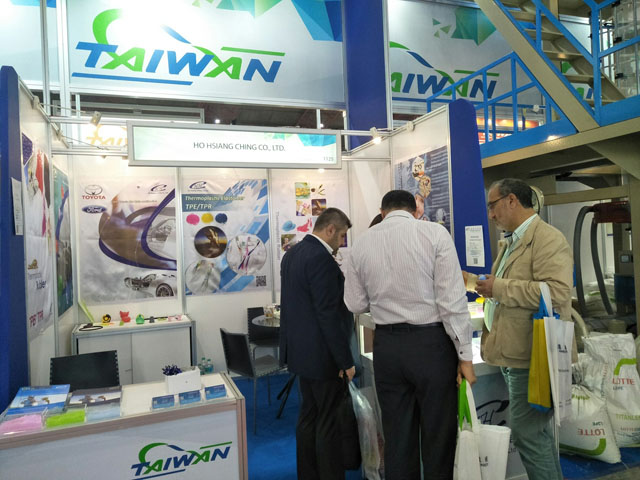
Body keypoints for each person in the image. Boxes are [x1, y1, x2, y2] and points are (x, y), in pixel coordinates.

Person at [344, 189, 476, 480]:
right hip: (432, 346)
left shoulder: (361, 244)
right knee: (438, 435)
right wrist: (465, 356)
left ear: (382, 213)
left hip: (387, 347)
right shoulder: (435, 234)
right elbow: (452, 303)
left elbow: (355, 304)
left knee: (397, 436)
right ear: (415, 211)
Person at [464, 178, 573, 480]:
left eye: (493, 206)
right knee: (536, 434)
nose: (490, 214)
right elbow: (507, 287)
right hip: (515, 353)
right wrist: (474, 282)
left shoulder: (547, 239)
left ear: (512, 200)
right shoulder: (512, 242)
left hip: (533, 356)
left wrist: (498, 287)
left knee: (528, 435)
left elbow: (557, 292)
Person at [279, 208, 356, 480]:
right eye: (342, 235)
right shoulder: (321, 259)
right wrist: (345, 361)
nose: (342, 242)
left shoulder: (292, 254)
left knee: (309, 416)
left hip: (301, 353)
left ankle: (308, 474)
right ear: (330, 229)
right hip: (323, 356)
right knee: (328, 421)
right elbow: (328, 314)